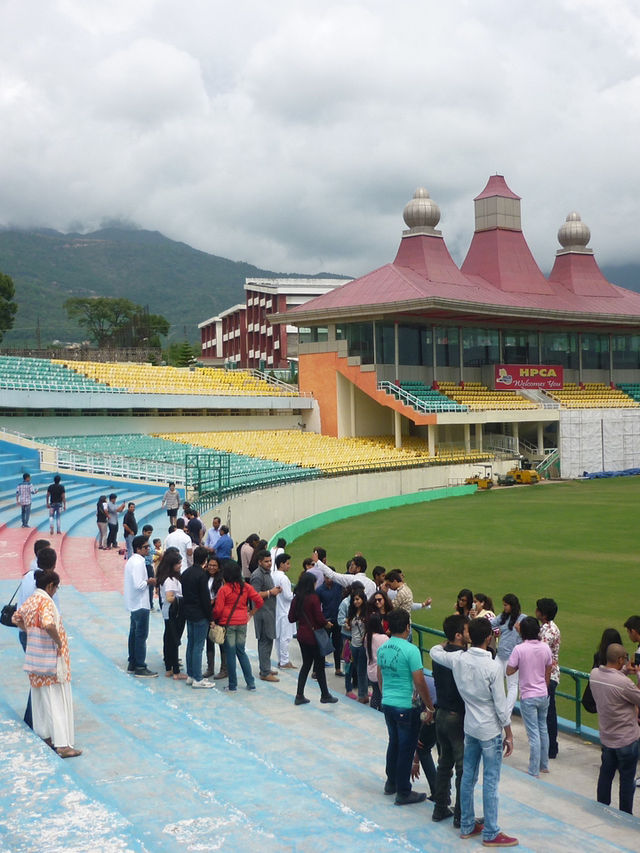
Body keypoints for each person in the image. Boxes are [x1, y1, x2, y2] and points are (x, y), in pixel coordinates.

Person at [430, 617, 517, 847]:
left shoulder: (458, 659)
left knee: (468, 777)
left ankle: (467, 825)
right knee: (490, 781)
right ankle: (491, 832)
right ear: (489, 637)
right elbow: (500, 704)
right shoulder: (492, 666)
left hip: (470, 727)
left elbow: (434, 652)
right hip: (489, 730)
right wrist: (508, 733)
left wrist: (443, 642)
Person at [13, 569, 81, 757]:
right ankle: (62, 745)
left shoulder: (32, 600)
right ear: (50, 586)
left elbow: (15, 618)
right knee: (56, 701)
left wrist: (31, 633)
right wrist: (58, 641)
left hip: (35, 659)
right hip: (51, 659)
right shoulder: (45, 602)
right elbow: (49, 624)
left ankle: (47, 736)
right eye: (56, 588)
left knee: (41, 700)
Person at [377, 607, 434, 805]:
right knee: (406, 748)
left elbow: (380, 675)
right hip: (406, 706)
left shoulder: (383, 648)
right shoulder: (411, 650)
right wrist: (429, 706)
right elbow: (419, 681)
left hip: (388, 703)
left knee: (394, 743)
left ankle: (391, 782)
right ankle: (403, 791)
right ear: (408, 627)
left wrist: (386, 696)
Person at [589, 643, 640, 814]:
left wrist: (624, 670)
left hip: (607, 738)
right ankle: (625, 814)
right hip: (627, 740)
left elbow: (612, 682)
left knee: (606, 775)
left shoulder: (594, 674)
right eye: (625, 658)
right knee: (626, 780)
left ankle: (602, 808)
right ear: (619, 659)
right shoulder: (624, 683)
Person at [430, 614, 468, 827]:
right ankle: (461, 815)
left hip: (441, 713)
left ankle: (440, 807)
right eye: (466, 629)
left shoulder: (438, 655)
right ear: (458, 635)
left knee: (444, 763)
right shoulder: (463, 658)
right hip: (457, 716)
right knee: (462, 768)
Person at [16, 545, 58, 730]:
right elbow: (49, 622)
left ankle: (34, 719)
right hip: (38, 638)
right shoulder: (44, 585)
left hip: (26, 633)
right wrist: (58, 641)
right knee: (42, 681)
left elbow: (18, 614)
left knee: (38, 679)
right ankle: (35, 720)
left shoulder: (27, 576)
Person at [507, 616, 553, 777]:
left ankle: (534, 770)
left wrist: (521, 665)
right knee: (543, 729)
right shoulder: (545, 648)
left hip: (528, 695)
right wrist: (544, 688)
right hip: (543, 693)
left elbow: (509, 670)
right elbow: (548, 670)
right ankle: (544, 765)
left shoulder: (519, 649)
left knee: (533, 734)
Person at [288, 571, 338, 706]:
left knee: (306, 665)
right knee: (319, 666)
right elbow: (318, 617)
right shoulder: (313, 598)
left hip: (302, 635)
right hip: (314, 636)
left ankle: (299, 694)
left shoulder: (296, 598)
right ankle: (325, 695)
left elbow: (291, 618)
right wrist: (326, 623)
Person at [212, 561, 264, 692]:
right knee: (241, 652)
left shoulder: (224, 590)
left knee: (230, 653)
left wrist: (214, 619)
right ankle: (250, 683)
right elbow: (259, 601)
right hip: (242, 622)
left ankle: (232, 684)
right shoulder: (246, 587)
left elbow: (218, 609)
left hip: (228, 623)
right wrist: (250, 613)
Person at [180, 545, 215, 688]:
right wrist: (211, 618)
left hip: (189, 613)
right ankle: (198, 678)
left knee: (191, 644)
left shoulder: (186, 573)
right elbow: (205, 599)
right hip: (200, 614)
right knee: (198, 646)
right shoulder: (201, 575)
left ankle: (191, 675)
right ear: (205, 560)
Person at [124, 535, 157, 677]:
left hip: (134, 603)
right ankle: (140, 666)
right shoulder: (138, 563)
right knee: (141, 635)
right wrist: (149, 581)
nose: (148, 549)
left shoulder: (132, 561)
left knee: (134, 634)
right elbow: (139, 585)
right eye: (145, 547)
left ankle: (132, 662)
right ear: (138, 548)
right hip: (140, 604)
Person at [490, 594, 525, 720]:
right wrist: (496, 631)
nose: (504, 607)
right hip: (500, 655)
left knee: (512, 685)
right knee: (494, 681)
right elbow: (491, 624)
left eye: (506, 605)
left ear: (512, 605)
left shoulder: (523, 619)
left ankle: (506, 714)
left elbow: (529, 635)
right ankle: (498, 708)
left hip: (513, 657)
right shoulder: (503, 617)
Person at [250, 550, 282, 682]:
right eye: (266, 561)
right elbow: (255, 594)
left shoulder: (266, 573)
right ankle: (264, 672)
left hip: (269, 611)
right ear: (260, 562)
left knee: (268, 640)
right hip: (262, 613)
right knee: (264, 641)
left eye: (270, 561)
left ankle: (266, 668)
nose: (269, 563)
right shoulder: (257, 576)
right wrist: (271, 592)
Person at [535, 597, 561, 759]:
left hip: (548, 676)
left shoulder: (548, 631)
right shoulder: (546, 627)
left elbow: (540, 653)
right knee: (546, 712)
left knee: (548, 713)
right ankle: (548, 746)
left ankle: (551, 747)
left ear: (543, 614)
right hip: (547, 674)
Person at [156, 549, 186, 679]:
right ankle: (176, 671)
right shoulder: (170, 580)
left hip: (168, 612)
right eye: (178, 563)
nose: (180, 565)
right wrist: (185, 599)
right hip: (174, 612)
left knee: (169, 639)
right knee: (174, 641)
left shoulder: (165, 577)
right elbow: (169, 597)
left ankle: (169, 668)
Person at [316, 573, 344, 675]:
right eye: (327, 578)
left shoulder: (338, 586)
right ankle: (317, 669)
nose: (329, 580)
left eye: (330, 578)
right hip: (326, 620)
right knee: (322, 645)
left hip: (337, 620)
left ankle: (337, 668)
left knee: (338, 645)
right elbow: (316, 606)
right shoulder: (320, 590)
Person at [204, 555, 226, 680]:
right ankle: (210, 668)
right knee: (209, 640)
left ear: (219, 567)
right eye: (210, 565)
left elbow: (222, 597)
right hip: (207, 612)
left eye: (214, 565)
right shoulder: (204, 577)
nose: (211, 567)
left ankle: (224, 669)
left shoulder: (222, 580)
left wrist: (213, 601)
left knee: (221, 640)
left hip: (219, 613)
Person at [272, 552, 296, 669]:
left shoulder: (273, 575)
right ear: (281, 564)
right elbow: (288, 596)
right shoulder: (284, 578)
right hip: (285, 611)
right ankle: (284, 661)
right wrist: (296, 594)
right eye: (287, 563)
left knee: (278, 637)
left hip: (276, 610)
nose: (289, 566)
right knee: (285, 637)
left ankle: (281, 659)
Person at [345, 588, 369, 703]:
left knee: (361, 671)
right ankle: (363, 694)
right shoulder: (352, 612)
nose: (356, 601)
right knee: (357, 670)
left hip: (362, 646)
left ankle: (362, 695)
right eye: (354, 599)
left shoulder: (367, 613)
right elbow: (349, 626)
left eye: (358, 599)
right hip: (353, 644)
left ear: (363, 599)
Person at [365, 611, 389, 710]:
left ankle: (373, 712)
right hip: (381, 673)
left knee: (376, 694)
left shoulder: (367, 637)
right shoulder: (384, 638)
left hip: (370, 671)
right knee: (383, 696)